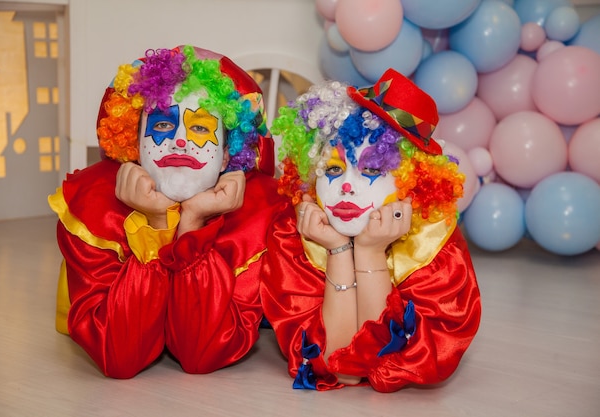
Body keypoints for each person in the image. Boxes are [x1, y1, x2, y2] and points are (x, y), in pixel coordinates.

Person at [48, 45, 289, 378]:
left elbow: (200, 354)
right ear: (133, 143)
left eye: (201, 128)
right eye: (162, 125)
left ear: (225, 156)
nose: (179, 141)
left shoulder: (258, 217)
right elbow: (119, 356)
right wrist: (155, 225)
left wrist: (191, 227)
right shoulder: (93, 209)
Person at [260, 68, 482, 392]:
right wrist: (338, 250)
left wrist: (369, 252)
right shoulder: (294, 231)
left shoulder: (434, 244)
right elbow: (341, 368)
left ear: (411, 182)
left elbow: (383, 365)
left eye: (372, 169)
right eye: (334, 169)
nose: (347, 187)